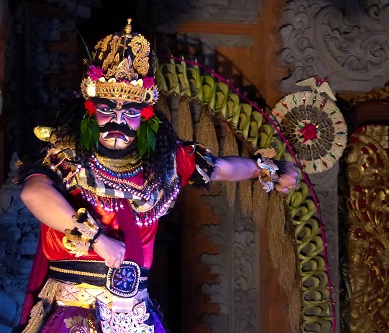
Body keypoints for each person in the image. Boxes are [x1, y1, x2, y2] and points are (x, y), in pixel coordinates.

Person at [16, 19, 299, 333]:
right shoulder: (69, 153)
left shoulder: (163, 160)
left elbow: (221, 168)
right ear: (90, 110)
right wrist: (97, 240)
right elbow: (33, 193)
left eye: (131, 113)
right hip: (75, 308)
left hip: (135, 312)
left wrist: (267, 169)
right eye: (108, 110)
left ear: (145, 115)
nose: (118, 121)